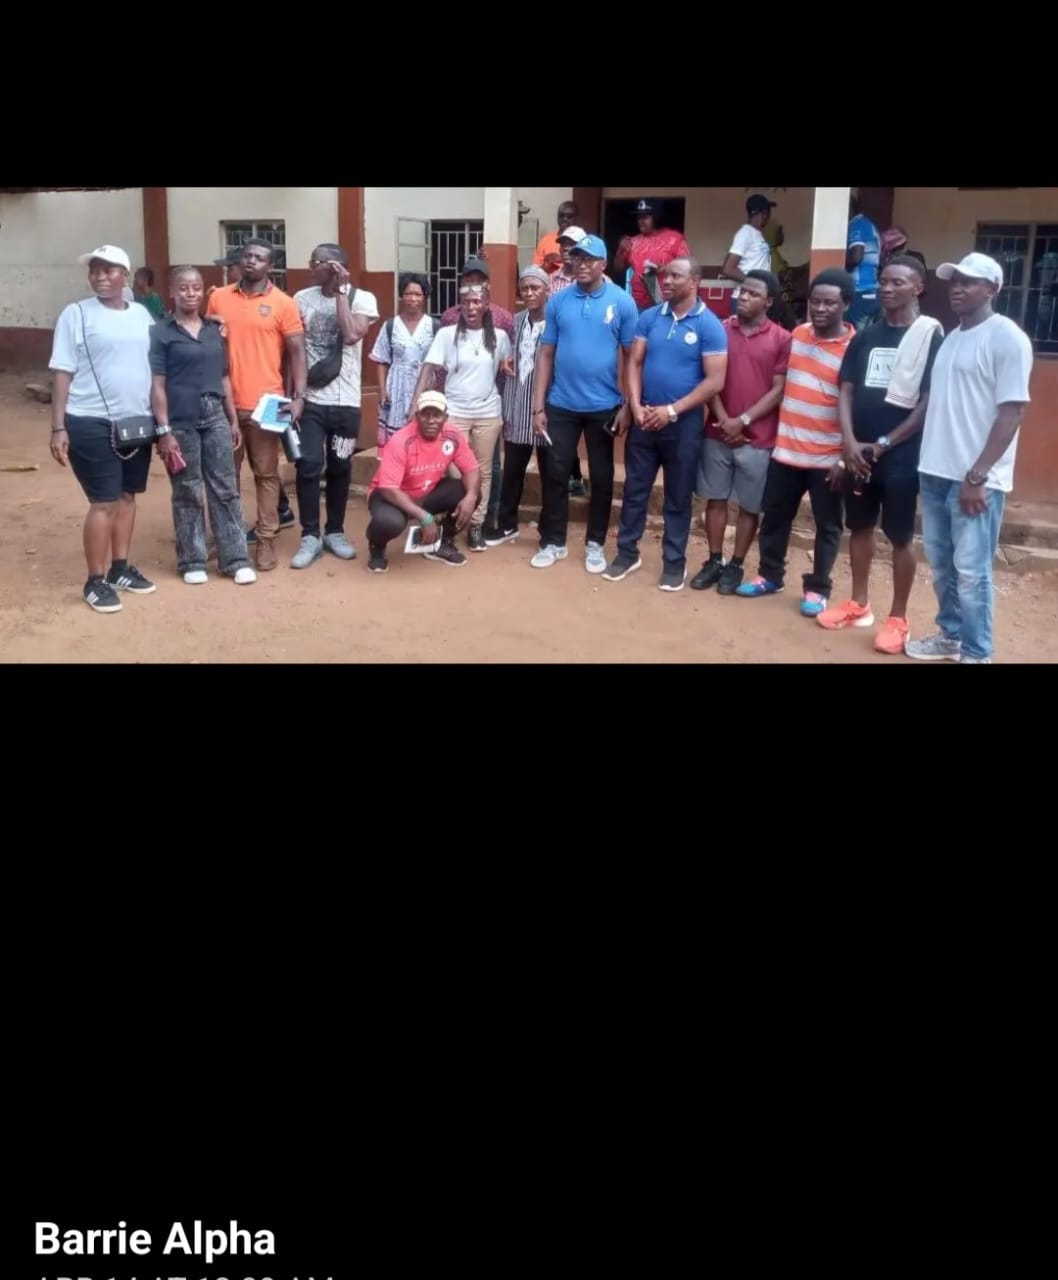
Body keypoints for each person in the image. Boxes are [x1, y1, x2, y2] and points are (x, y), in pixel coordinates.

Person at [905, 252, 1034, 665]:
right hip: (936, 472)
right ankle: (952, 636)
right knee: (943, 566)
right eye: (955, 280)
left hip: (975, 479)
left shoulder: (1007, 338)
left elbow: (1012, 412)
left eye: (969, 281)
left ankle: (977, 653)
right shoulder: (952, 338)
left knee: (972, 572)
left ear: (992, 289)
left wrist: (978, 476)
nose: (957, 288)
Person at [816, 257, 943, 652]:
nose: (887, 288)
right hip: (859, 453)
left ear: (917, 288)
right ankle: (859, 605)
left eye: (898, 282)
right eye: (884, 281)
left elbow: (927, 402)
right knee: (859, 527)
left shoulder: (929, 337)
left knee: (901, 536)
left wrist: (886, 443)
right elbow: (846, 390)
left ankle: (898, 618)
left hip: (901, 456)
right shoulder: (866, 336)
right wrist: (850, 443)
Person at [736, 269, 857, 615]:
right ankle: (770, 575)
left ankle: (818, 588)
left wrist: (845, 457)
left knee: (828, 526)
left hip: (828, 457)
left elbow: (857, 406)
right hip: (787, 450)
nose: (819, 309)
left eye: (829, 303)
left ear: (846, 305)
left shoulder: (855, 347)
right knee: (775, 518)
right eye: (815, 302)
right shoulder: (798, 335)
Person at [604, 258, 728, 591]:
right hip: (645, 420)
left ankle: (674, 563)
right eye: (665, 275)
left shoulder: (709, 325)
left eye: (676, 275)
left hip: (683, 426)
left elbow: (714, 381)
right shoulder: (649, 318)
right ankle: (627, 553)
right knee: (635, 491)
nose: (667, 281)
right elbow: (635, 363)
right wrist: (634, 405)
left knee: (677, 497)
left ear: (695, 281)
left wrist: (672, 411)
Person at [48, 244, 158, 613]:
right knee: (104, 501)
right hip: (89, 420)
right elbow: (62, 370)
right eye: (95, 270)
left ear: (125, 274)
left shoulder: (141, 315)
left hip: (136, 420)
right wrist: (58, 427)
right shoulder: (77, 314)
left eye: (108, 270)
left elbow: (155, 362)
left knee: (127, 496)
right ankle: (95, 581)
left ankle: (119, 569)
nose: (100, 277)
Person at [531, 234, 638, 573]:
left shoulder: (622, 302)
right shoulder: (559, 301)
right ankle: (554, 541)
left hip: (604, 406)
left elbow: (631, 358)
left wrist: (628, 404)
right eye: (577, 258)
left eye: (589, 259)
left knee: (602, 477)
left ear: (603, 264)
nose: (581, 264)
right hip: (561, 403)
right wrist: (538, 407)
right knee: (555, 473)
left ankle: (595, 544)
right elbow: (546, 354)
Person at [149, 267, 256, 587]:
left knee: (226, 488)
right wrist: (164, 431)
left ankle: (235, 559)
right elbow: (157, 385)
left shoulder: (213, 331)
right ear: (172, 292)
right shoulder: (161, 333)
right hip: (180, 420)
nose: (191, 293)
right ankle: (192, 559)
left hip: (215, 416)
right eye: (183, 288)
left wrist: (232, 419)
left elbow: (224, 377)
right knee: (187, 490)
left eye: (196, 287)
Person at [206, 238, 307, 572]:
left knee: (266, 475)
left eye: (259, 258)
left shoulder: (284, 304)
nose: (251, 261)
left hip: (267, 405)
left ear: (270, 266)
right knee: (225, 476)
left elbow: (297, 353)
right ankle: (228, 538)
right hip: (223, 405)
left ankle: (265, 540)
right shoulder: (218, 298)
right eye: (247, 255)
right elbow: (207, 345)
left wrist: (299, 398)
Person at [692, 270, 791, 595]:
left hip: (758, 438)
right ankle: (714, 560)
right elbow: (708, 378)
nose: (743, 297)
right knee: (716, 499)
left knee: (750, 506)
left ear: (769, 301)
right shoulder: (720, 330)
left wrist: (743, 420)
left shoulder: (782, 339)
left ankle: (736, 564)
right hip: (717, 432)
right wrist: (724, 419)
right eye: (742, 291)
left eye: (752, 293)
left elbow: (779, 389)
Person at [291, 243, 379, 570]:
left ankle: (335, 532)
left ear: (334, 266)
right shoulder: (301, 298)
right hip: (312, 401)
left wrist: (341, 293)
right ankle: (310, 535)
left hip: (346, 405)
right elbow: (294, 349)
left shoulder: (362, 298)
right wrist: (295, 395)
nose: (310, 267)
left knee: (340, 466)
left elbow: (353, 334)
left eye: (315, 262)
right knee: (308, 465)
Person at [412, 282, 513, 551]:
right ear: (460, 307)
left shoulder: (500, 337)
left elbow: (508, 363)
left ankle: (476, 524)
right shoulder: (446, 335)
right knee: (455, 473)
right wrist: (415, 403)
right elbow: (428, 368)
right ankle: (454, 523)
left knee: (484, 472)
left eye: (477, 301)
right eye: (466, 302)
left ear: (486, 305)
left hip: (488, 413)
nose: (471, 307)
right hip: (455, 413)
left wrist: (507, 366)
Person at [364, 391, 482, 573]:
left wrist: (471, 496)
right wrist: (425, 517)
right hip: (391, 497)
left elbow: (471, 469)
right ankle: (376, 546)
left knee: (470, 493)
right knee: (390, 522)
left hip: (426, 492)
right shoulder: (401, 440)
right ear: (417, 416)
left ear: (445, 417)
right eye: (425, 414)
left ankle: (441, 542)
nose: (431, 420)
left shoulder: (453, 435)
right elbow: (388, 488)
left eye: (437, 415)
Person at [487, 266, 551, 546]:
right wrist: (504, 361)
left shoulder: (557, 322)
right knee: (513, 470)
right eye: (525, 288)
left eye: (535, 288)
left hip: (547, 409)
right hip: (516, 404)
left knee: (551, 472)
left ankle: (549, 532)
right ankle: (507, 525)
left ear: (547, 290)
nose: (529, 293)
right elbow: (503, 354)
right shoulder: (514, 322)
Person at [369, 273, 441, 452]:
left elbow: (441, 362)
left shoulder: (434, 326)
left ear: (425, 297)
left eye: (418, 294)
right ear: (401, 296)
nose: (413, 299)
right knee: (397, 443)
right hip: (396, 389)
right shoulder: (390, 325)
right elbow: (381, 359)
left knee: (424, 436)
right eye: (408, 294)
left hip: (425, 387)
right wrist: (383, 390)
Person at [615, 200, 692, 312]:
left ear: (656, 217)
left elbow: (688, 267)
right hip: (637, 305)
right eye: (639, 217)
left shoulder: (674, 239)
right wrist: (620, 250)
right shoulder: (633, 242)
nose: (641, 221)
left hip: (665, 302)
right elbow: (618, 269)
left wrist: (665, 268)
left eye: (645, 217)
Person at [721, 195, 776, 314]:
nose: (769, 217)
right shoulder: (745, 233)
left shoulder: (757, 234)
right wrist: (754, 284)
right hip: (746, 300)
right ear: (764, 214)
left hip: (757, 299)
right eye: (768, 213)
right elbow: (728, 269)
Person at [440, 256, 515, 338]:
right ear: (462, 284)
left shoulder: (504, 318)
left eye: (479, 281)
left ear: (488, 285)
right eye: (470, 280)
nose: (474, 285)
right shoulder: (449, 316)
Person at [847, 195, 882, 327]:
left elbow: (856, 257)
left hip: (860, 289)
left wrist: (835, 263)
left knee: (855, 334)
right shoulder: (867, 224)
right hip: (870, 289)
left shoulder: (857, 225)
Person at [534, 200, 580, 275]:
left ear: (577, 218)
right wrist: (546, 264)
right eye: (561, 216)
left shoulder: (583, 240)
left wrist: (562, 259)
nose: (565, 219)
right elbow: (536, 270)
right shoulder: (545, 240)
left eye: (569, 216)